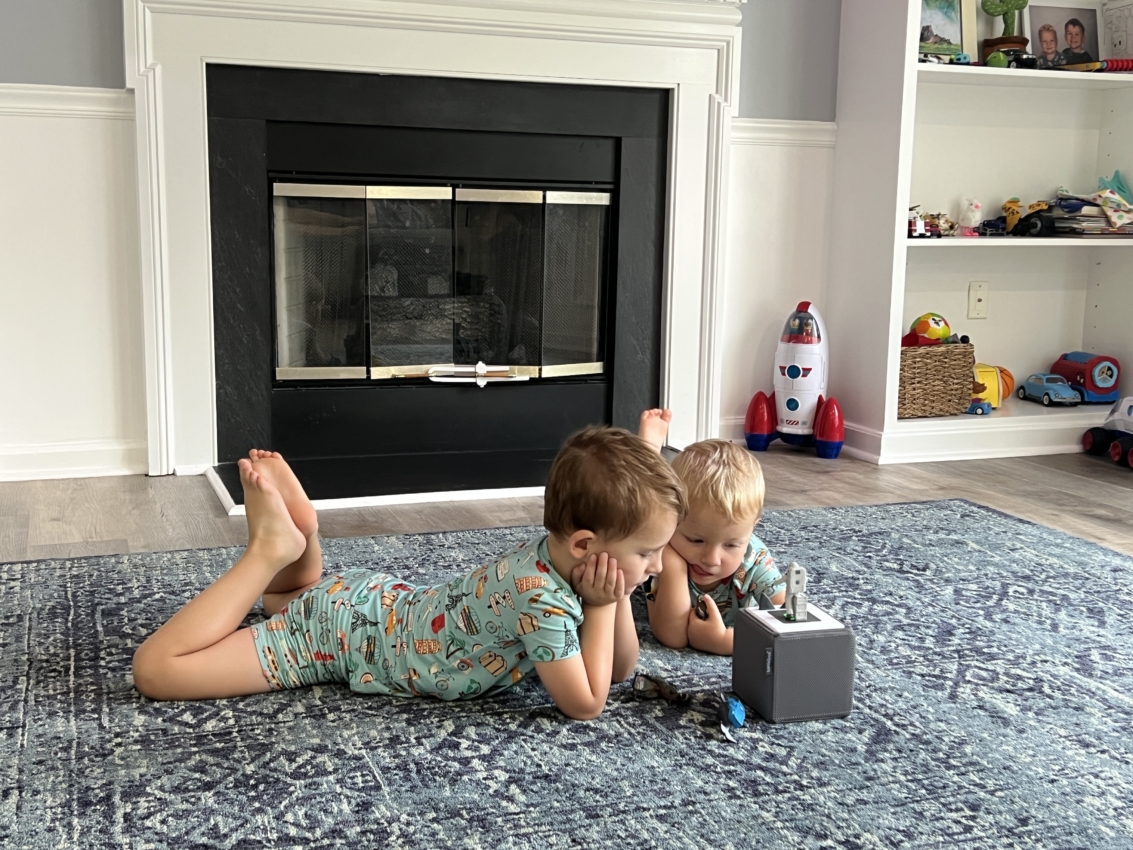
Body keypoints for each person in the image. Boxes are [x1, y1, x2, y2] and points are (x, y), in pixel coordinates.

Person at [132, 427, 686, 720]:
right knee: (157, 671)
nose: (658, 565)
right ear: (586, 544)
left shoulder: (551, 556)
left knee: (294, 598)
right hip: (342, 635)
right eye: (648, 553)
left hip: (371, 599)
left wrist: (602, 600)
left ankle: (300, 542)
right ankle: (266, 551)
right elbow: (587, 703)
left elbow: (617, 670)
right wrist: (606, 605)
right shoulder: (541, 600)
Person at [637, 410, 785, 656]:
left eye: (731, 545)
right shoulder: (662, 552)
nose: (711, 559)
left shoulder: (753, 558)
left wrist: (725, 641)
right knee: (638, 519)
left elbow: (789, 626)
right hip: (657, 528)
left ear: (752, 528)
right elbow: (672, 636)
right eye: (696, 540)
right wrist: (673, 566)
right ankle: (648, 452)